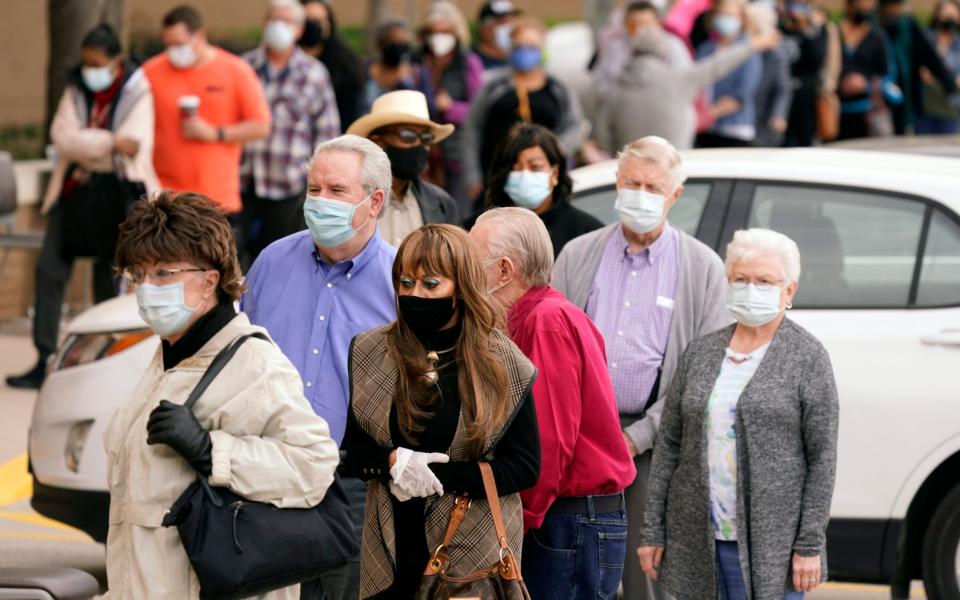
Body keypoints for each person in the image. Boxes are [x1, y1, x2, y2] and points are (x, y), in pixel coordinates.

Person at [104, 191, 340, 599]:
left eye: (163, 273)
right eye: (138, 275)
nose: (147, 288)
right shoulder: (169, 357)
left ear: (210, 280)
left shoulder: (254, 363)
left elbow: (314, 463)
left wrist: (211, 450)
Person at [552, 136, 731, 600]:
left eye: (653, 186)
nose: (640, 194)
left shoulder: (702, 267)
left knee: (645, 576)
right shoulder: (577, 255)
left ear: (674, 196)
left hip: (653, 442)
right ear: (616, 183)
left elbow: (701, 373)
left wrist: (638, 437)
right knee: (576, 566)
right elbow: (553, 353)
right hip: (580, 439)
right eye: (632, 182)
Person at [339, 223, 540, 599]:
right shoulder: (370, 350)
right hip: (391, 543)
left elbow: (524, 467)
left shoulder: (503, 364)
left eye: (431, 284)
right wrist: (394, 461)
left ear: (460, 288)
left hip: (466, 550)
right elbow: (353, 452)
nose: (415, 295)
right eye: (406, 283)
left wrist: (436, 474)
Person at [637, 228, 839, 600]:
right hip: (697, 539)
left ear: (789, 290)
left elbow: (822, 458)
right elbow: (669, 446)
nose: (751, 289)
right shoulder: (701, 353)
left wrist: (809, 544)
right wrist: (654, 531)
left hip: (774, 547)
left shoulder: (807, 357)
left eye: (764, 281)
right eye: (741, 280)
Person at [241, 135, 398, 600]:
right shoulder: (272, 261)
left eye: (336, 190)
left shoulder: (400, 280)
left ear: (375, 202)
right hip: (269, 476)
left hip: (352, 487)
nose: (320, 202)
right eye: (314, 190)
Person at [470, 208, 636, 600]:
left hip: (567, 520)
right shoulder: (538, 315)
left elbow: (548, 443)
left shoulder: (546, 322)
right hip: (567, 517)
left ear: (504, 270)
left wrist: (515, 523)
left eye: (471, 259)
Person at [6, 24, 159, 390]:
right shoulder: (76, 87)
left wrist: (86, 144)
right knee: (49, 270)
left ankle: (102, 362)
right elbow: (61, 137)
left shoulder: (138, 89)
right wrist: (109, 142)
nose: (90, 69)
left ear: (116, 61)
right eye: (86, 62)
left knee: (107, 279)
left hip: (116, 197)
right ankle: (44, 357)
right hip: (74, 194)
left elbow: (135, 144)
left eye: (98, 63)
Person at [143, 5, 270, 215]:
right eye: (168, 45)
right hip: (164, 196)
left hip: (217, 199)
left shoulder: (235, 70)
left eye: (179, 44)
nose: (174, 51)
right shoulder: (150, 72)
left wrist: (216, 133)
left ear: (199, 36)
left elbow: (261, 126)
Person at [241, 0, 340, 264]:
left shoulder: (314, 74)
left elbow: (327, 134)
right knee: (234, 257)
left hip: (289, 185)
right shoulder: (244, 68)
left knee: (282, 259)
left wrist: (317, 182)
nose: (278, 27)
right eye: (274, 19)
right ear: (264, 24)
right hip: (243, 181)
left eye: (287, 21)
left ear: (298, 29)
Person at [594, 13, 778, 152]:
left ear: (633, 53)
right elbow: (717, 65)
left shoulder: (616, 87)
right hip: (671, 166)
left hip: (631, 166)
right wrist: (752, 45)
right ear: (663, 53)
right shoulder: (680, 79)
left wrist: (622, 152)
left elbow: (602, 136)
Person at [463, 17, 583, 200]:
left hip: (543, 183)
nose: (525, 52)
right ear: (510, 48)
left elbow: (574, 126)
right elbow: (473, 129)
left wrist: (554, 151)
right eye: (519, 46)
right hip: (495, 181)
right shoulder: (493, 86)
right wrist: (472, 178)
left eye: (532, 46)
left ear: (542, 49)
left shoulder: (558, 88)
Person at [346, 91, 461, 247]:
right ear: (377, 142)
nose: (419, 145)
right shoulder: (346, 201)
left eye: (426, 138)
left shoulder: (443, 205)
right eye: (408, 136)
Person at [479, 124, 602, 256]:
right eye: (515, 169)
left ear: (555, 172)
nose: (525, 175)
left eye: (535, 167)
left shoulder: (587, 232)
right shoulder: (479, 229)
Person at [417, 0, 484, 212]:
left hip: (457, 154)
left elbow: (478, 110)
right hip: (425, 154)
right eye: (434, 32)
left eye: (445, 32)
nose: (439, 38)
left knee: (456, 213)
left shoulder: (468, 62)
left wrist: (451, 107)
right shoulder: (418, 63)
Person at [878, 0, 960, 134]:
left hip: (950, 108)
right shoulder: (926, 36)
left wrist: (951, 84)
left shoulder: (909, 27)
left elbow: (936, 66)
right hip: (924, 107)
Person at [696, 0, 765, 147]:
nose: (725, 18)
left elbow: (742, 94)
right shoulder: (705, 50)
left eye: (731, 15)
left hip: (734, 130)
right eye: (721, 14)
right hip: (706, 130)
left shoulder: (748, 51)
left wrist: (708, 115)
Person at [300, 0, 366, 130]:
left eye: (318, 21)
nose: (313, 26)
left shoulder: (345, 65)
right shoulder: (285, 62)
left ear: (329, 25)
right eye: (308, 21)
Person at [836, 0, 891, 139]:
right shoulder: (833, 32)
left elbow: (887, 73)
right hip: (835, 113)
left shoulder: (877, 36)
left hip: (867, 113)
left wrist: (865, 85)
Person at [779, 0, 832, 147]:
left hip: (807, 96)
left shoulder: (816, 30)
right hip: (783, 96)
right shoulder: (780, 26)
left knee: (806, 141)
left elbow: (817, 59)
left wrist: (806, 27)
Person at [364, 19, 435, 114]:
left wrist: (404, 84)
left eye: (404, 43)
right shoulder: (363, 72)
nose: (399, 47)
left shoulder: (416, 75)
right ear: (381, 44)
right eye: (394, 42)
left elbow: (429, 109)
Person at [750, 4, 794, 146]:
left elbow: (783, 88)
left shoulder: (776, 54)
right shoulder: (739, 50)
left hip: (764, 120)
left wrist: (778, 115)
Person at [916, 0, 960, 134]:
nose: (949, 19)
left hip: (950, 108)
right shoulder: (927, 39)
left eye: (952, 15)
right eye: (945, 14)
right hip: (925, 107)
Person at [473, 0, 519, 70]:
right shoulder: (469, 61)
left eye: (511, 21)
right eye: (502, 22)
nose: (509, 27)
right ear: (483, 27)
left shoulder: (518, 60)